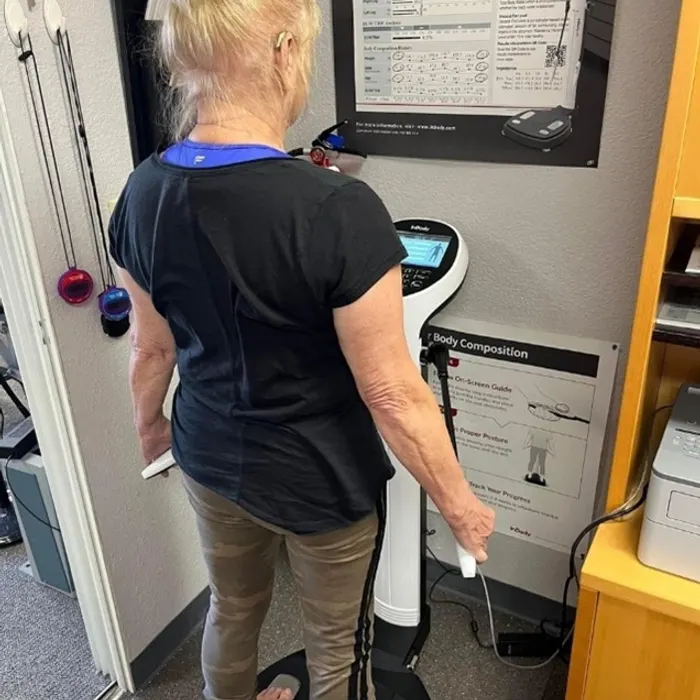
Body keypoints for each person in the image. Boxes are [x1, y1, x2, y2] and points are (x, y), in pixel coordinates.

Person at [109, 1, 495, 699]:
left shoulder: (142, 191)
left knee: (231, 608)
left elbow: (151, 351)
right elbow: (392, 393)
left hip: (208, 455)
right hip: (320, 479)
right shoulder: (336, 207)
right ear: (284, 51)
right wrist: (460, 507)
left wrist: (152, 432)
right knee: (336, 647)